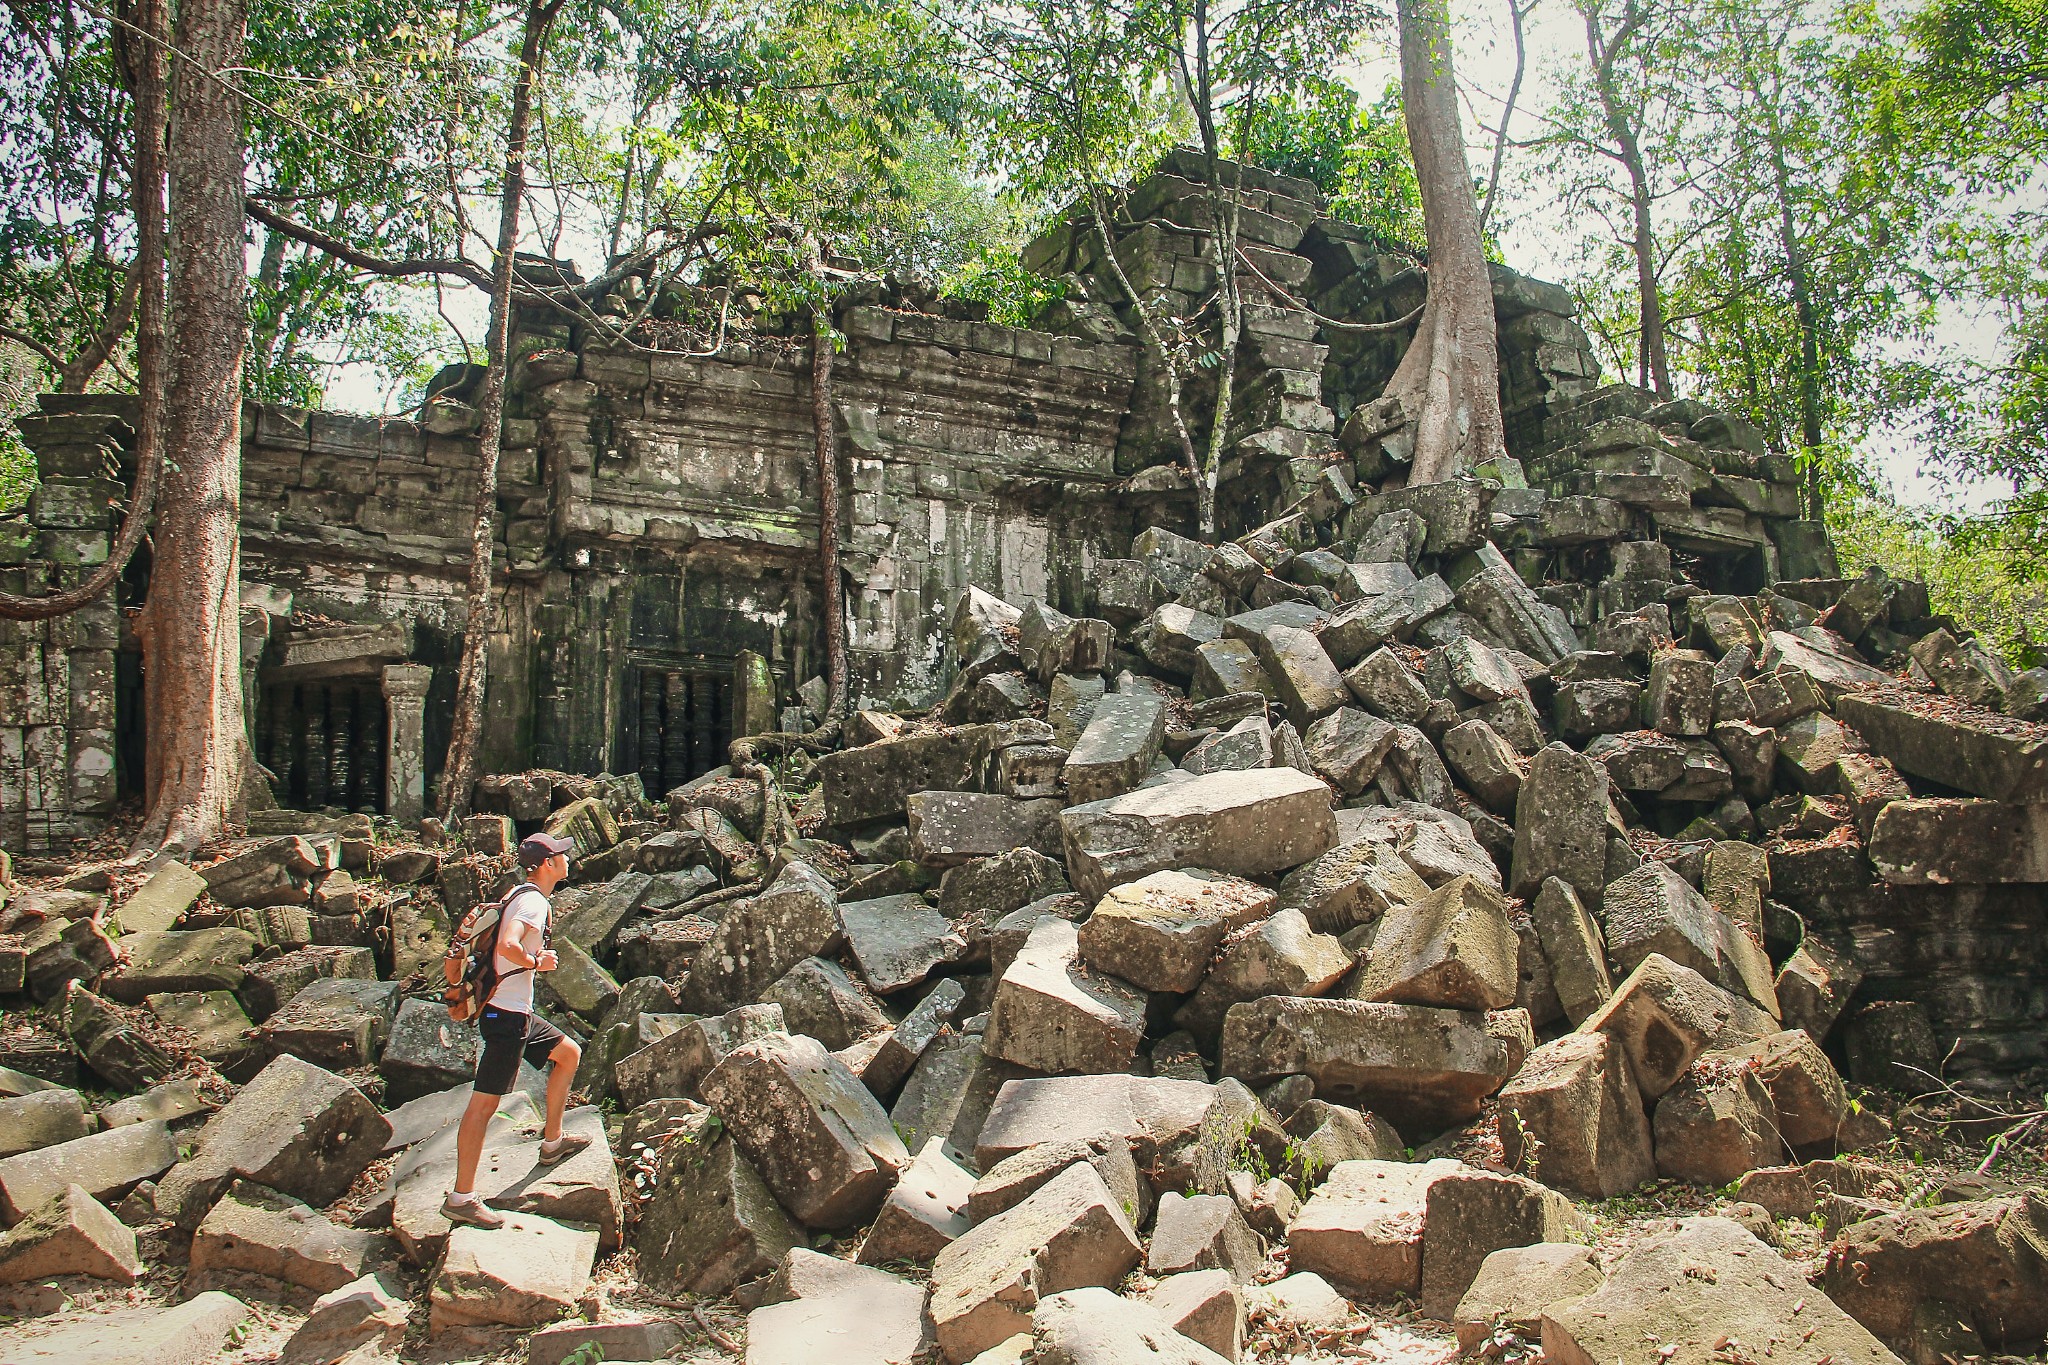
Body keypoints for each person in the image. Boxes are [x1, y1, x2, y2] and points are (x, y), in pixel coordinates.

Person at [442, 831, 591, 1228]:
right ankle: (462, 1197)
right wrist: (536, 961)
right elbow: (508, 946)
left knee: (568, 1054)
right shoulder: (533, 901)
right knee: (483, 1107)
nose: (565, 858)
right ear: (545, 865)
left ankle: (553, 1143)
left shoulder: (519, 895)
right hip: (505, 1018)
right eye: (559, 855)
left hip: (512, 1013)